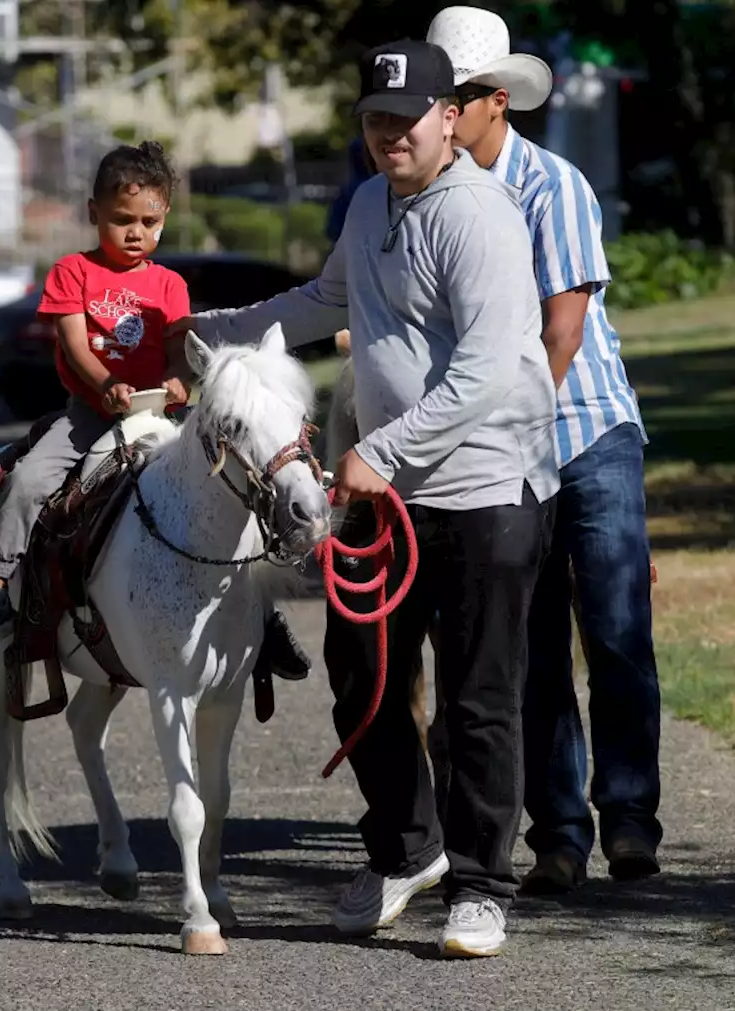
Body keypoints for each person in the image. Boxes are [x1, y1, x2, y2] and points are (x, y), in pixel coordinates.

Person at [170, 39, 558, 957]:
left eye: (408, 116)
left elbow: (489, 368)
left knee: (478, 693)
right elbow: (321, 301)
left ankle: (481, 885)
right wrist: (204, 333)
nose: (390, 132)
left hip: (485, 488)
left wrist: (380, 449)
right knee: (363, 677)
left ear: (451, 117)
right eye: (376, 118)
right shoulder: (370, 202)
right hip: (385, 490)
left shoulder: (481, 216)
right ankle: (406, 848)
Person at [426, 5, 663, 893]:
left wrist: (503, 433)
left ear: (493, 101)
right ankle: (558, 832)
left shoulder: (549, 186)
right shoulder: (439, 198)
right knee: (524, 647)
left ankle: (631, 816)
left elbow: (561, 331)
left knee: (613, 630)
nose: (439, 117)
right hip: (500, 447)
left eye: (453, 100)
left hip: (586, 430)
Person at [0, 141, 312, 686]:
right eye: (121, 220)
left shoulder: (169, 284)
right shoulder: (71, 273)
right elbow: (73, 346)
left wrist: (181, 384)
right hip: (88, 416)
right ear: (93, 214)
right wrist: (107, 384)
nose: (136, 232)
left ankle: (262, 615)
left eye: (149, 221)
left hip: (158, 419)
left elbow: (179, 348)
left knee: (232, 488)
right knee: (29, 480)